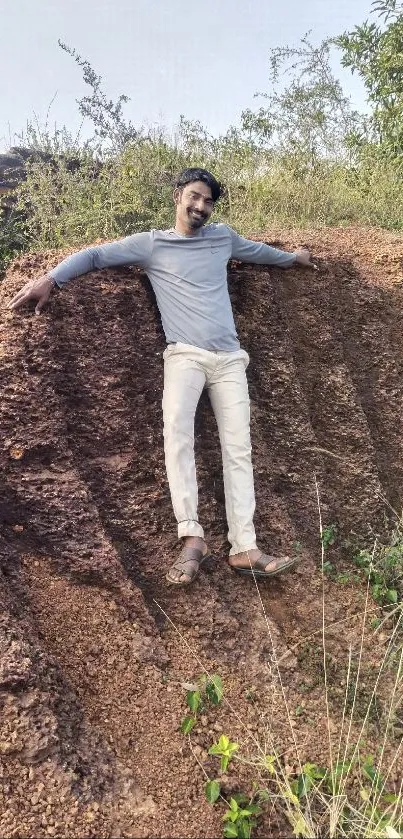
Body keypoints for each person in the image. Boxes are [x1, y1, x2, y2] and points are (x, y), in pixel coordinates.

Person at [8, 167, 316, 586]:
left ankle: (245, 547)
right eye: (194, 197)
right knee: (177, 436)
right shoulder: (151, 245)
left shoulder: (222, 238)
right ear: (178, 196)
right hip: (185, 355)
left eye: (208, 201)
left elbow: (261, 251)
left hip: (229, 360)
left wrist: (293, 258)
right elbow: (97, 255)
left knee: (239, 449)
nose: (201, 207)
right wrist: (51, 279)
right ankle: (192, 537)